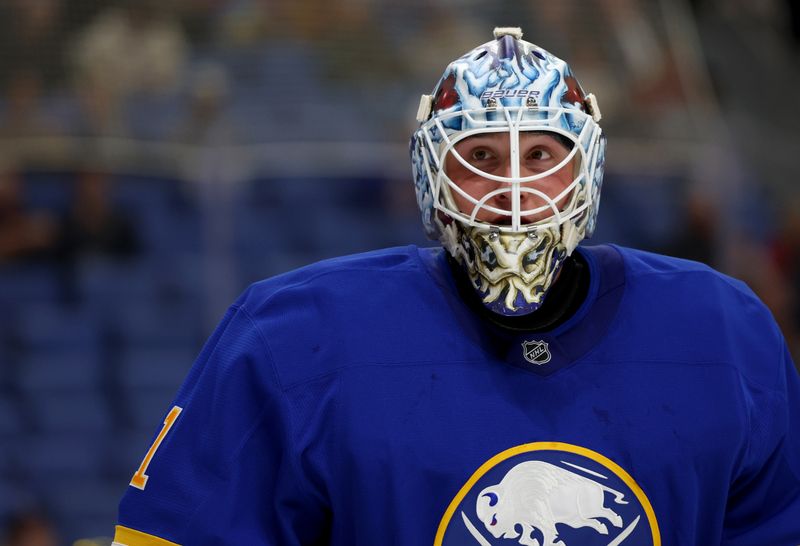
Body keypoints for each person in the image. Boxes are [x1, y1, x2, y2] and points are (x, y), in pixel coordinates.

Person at [112, 28, 800, 545]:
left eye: (539, 154)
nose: (514, 191)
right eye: (479, 157)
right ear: (429, 179)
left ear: (586, 172)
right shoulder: (290, 336)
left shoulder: (724, 331)